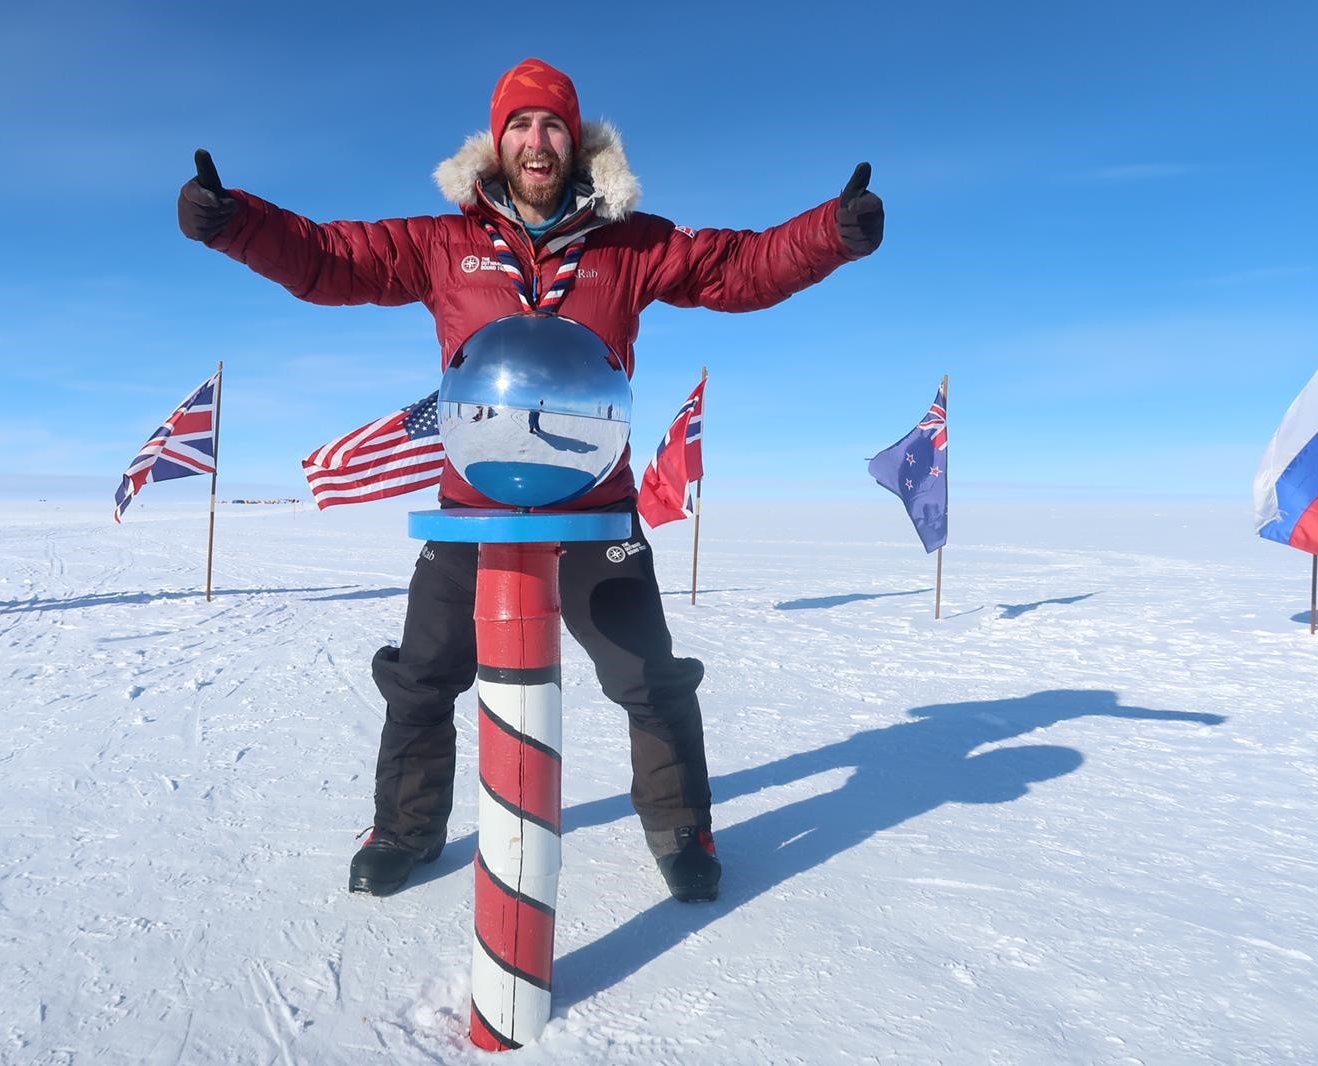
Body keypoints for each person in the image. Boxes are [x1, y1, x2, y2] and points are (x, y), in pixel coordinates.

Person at [178, 57, 883, 903]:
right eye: (520, 125)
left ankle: (679, 827)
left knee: (648, 679)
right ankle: (405, 827)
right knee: (422, 677)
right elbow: (333, 260)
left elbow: (736, 268)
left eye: (552, 125)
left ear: (576, 144)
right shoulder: (444, 244)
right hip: (475, 511)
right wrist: (234, 222)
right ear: (497, 143)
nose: (536, 140)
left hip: (595, 511)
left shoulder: (632, 245)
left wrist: (830, 235)